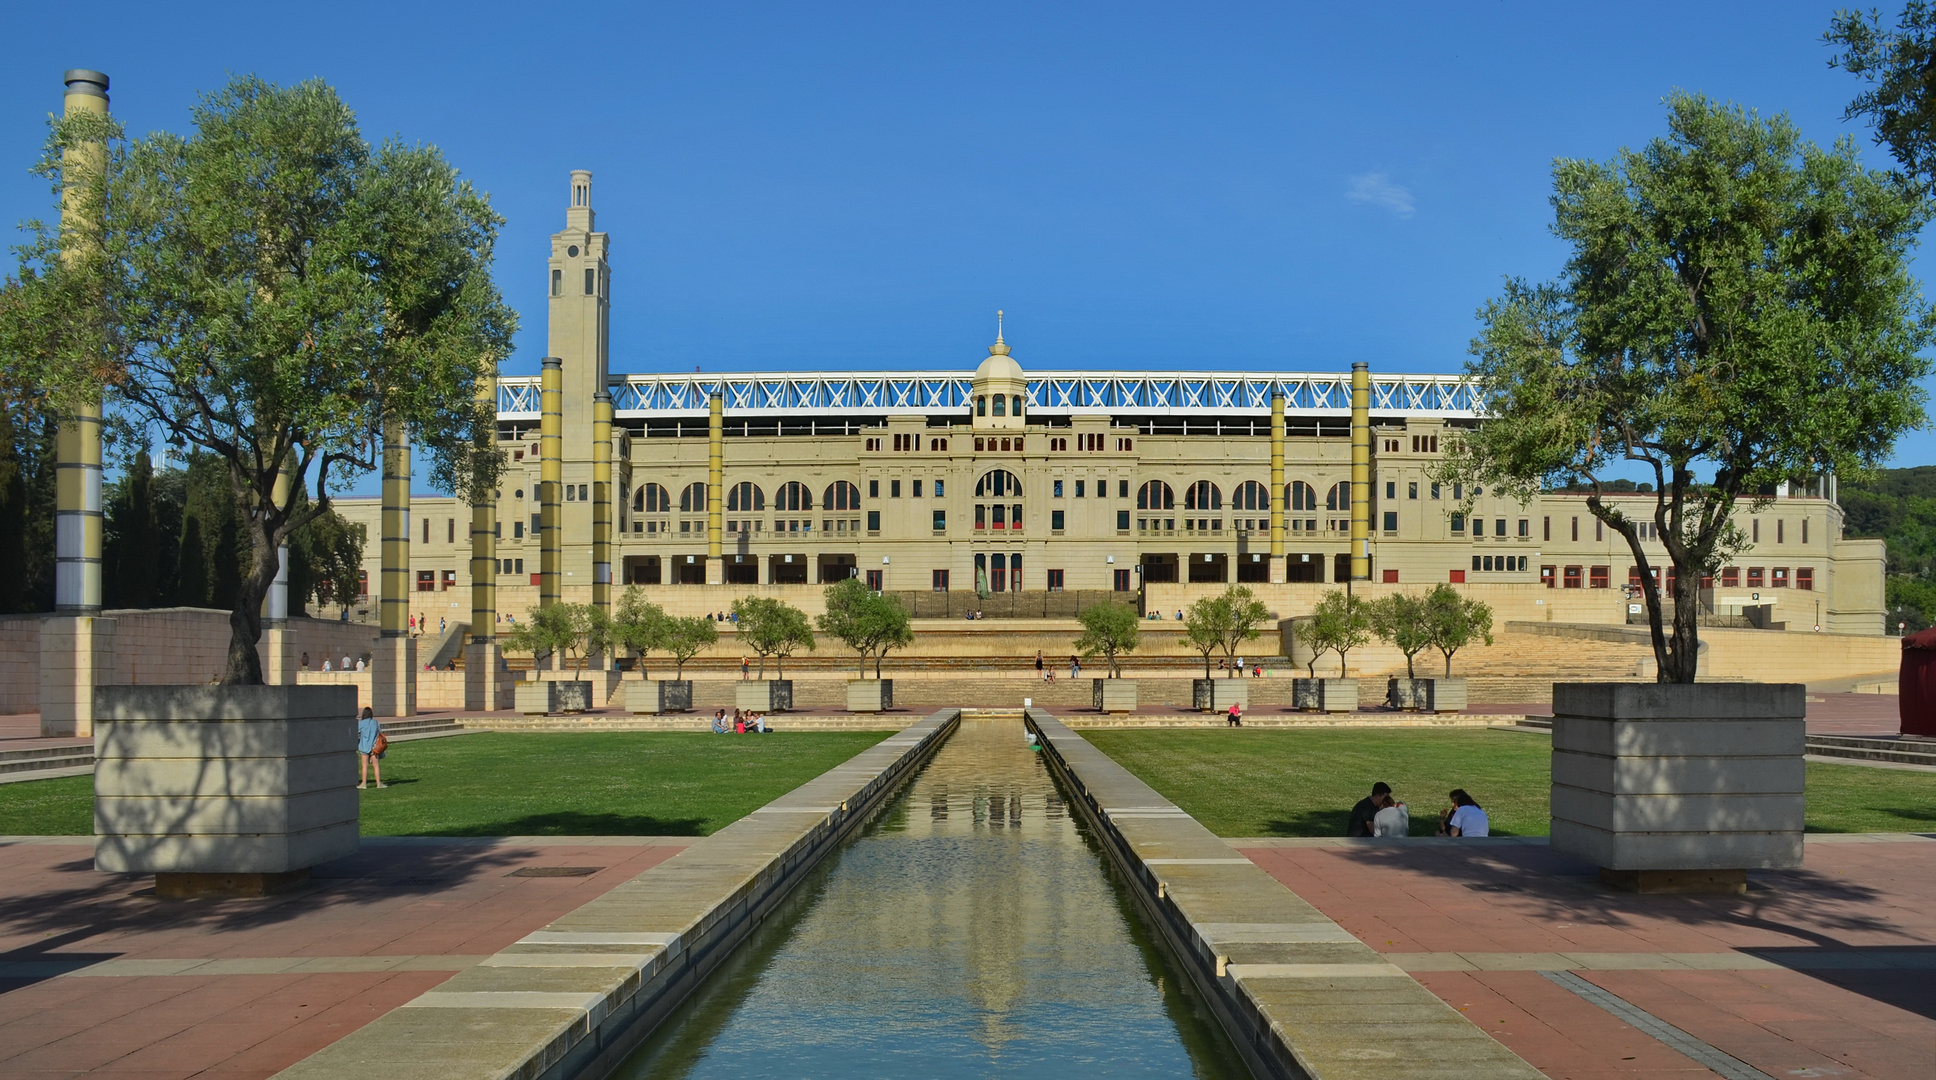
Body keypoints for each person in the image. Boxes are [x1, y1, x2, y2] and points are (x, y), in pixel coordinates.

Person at [356, 706, 386, 789]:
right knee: (376, 765)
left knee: (364, 765)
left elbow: (357, 732)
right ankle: (378, 783)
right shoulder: (376, 722)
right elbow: (380, 732)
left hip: (364, 746)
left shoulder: (361, 723)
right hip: (374, 747)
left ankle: (364, 783)